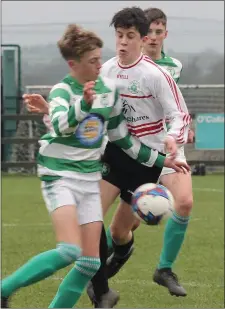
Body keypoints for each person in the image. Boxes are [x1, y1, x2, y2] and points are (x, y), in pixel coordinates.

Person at [2, 23, 176, 309]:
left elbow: (123, 140)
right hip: (59, 175)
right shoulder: (62, 91)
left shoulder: (107, 91)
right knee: (70, 250)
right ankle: (3, 289)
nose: (100, 64)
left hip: (87, 178)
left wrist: (162, 160)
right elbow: (60, 125)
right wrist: (83, 104)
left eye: (99, 57)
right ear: (74, 64)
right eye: (93, 60)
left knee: (88, 263)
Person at [105, 7, 194, 298]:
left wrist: (173, 138)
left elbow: (179, 112)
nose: (124, 41)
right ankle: (112, 258)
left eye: (131, 35)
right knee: (118, 230)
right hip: (129, 153)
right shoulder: (108, 69)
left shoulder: (167, 70)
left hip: (163, 150)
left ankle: (164, 269)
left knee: (185, 202)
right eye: (120, 35)